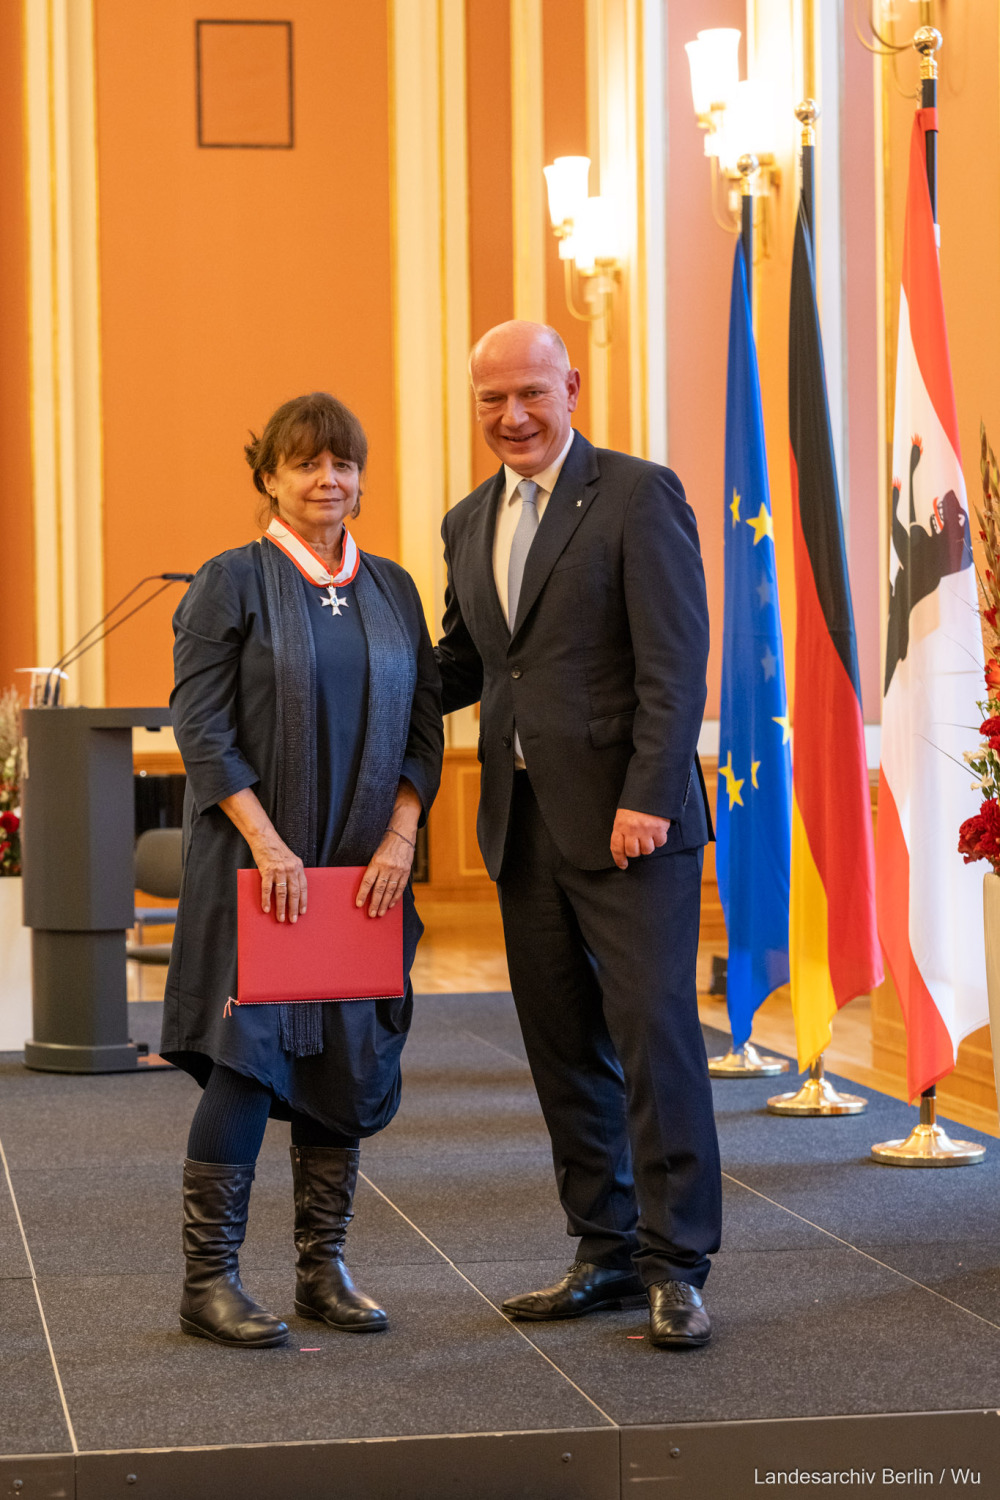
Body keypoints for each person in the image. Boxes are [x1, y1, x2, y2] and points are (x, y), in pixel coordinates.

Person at [436, 321, 721, 1349]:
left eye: (528, 393)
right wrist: (347, 683)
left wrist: (648, 794)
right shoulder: (467, 522)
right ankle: (601, 1250)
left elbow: (674, 661)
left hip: (629, 825)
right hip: (520, 829)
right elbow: (467, 669)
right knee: (563, 1048)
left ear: (570, 387)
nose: (510, 416)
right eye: (489, 400)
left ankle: (676, 1266)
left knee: (655, 1043)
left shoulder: (638, 494)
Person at [162, 392, 443, 1348]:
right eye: (307, 464)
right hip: (260, 874)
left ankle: (322, 1270)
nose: (330, 480)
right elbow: (200, 731)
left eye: (344, 463)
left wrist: (401, 838)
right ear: (269, 479)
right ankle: (209, 1282)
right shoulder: (229, 582)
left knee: (345, 1065)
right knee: (250, 1063)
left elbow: (423, 731)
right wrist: (272, 844)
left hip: (363, 875)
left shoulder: (394, 588)